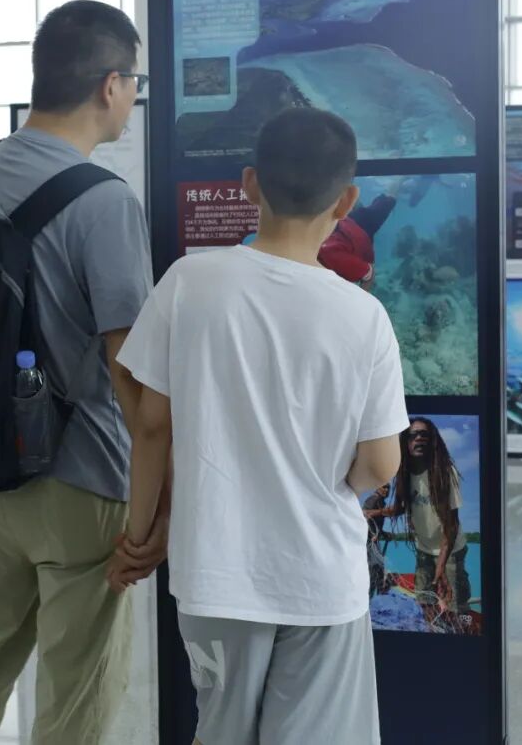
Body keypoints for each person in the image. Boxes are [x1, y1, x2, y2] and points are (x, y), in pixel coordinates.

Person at [110, 108, 408, 745]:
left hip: (214, 573)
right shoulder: (364, 316)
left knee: (220, 729)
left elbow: (153, 427)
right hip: (321, 576)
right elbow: (381, 465)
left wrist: (140, 536)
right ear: (347, 201)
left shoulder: (189, 281)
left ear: (249, 184)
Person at [0, 0, 155, 745]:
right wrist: (154, 508)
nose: (133, 97)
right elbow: (131, 376)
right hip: (81, 478)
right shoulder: (105, 202)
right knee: (76, 693)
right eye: (135, 83)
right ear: (110, 85)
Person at [383, 417, 472, 630]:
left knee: (455, 604)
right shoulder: (404, 474)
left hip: (450, 549)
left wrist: (440, 567)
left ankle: (463, 633)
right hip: (424, 548)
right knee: (424, 600)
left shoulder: (444, 473)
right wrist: (371, 512)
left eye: (424, 434)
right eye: (413, 435)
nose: (419, 439)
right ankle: (433, 633)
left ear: (432, 441)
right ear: (406, 442)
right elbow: (401, 508)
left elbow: (451, 525)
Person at [318, 192, 396, 290]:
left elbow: (369, 273)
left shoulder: (330, 255)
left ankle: (395, 188)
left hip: (361, 226)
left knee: (388, 202)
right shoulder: (324, 253)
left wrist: (362, 296)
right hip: (346, 225)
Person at [363, 482, 392, 597]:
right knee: (374, 568)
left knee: (379, 567)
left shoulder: (381, 503)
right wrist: (371, 533)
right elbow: (364, 516)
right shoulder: (373, 499)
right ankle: (369, 596)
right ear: (377, 487)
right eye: (384, 487)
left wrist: (383, 533)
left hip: (373, 541)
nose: (386, 490)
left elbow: (376, 524)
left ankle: (377, 595)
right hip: (368, 541)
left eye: (388, 488)